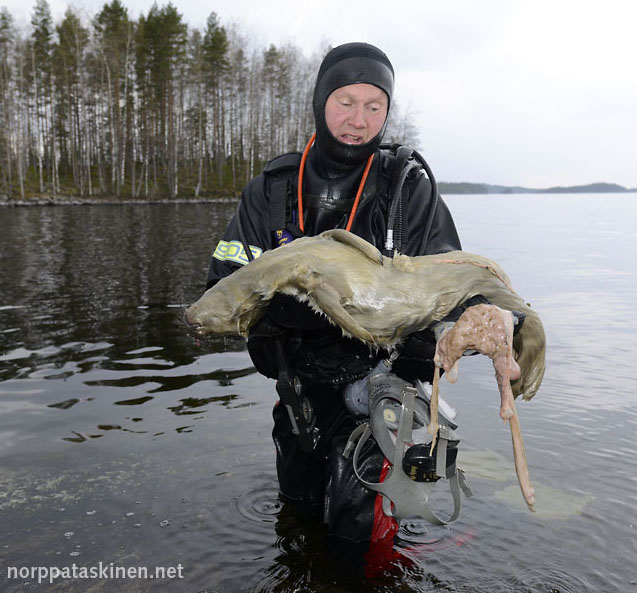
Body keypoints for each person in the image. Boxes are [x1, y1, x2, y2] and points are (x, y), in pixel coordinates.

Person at [206, 42, 478, 571]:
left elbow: (454, 286)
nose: (359, 120)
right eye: (345, 101)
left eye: (374, 106)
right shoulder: (271, 189)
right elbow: (221, 282)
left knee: (358, 543)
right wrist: (284, 311)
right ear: (319, 102)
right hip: (299, 392)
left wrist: (438, 337)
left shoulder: (407, 190)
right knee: (300, 516)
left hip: (377, 395)